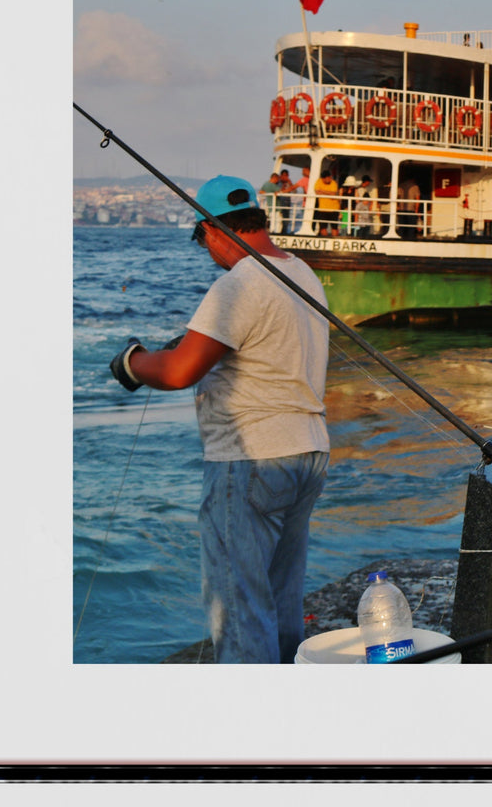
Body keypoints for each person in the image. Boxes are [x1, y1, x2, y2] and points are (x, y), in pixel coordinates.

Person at [108, 176, 330, 663]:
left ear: (211, 230)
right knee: (280, 598)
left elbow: (181, 370)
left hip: (251, 458)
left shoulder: (241, 283)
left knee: (239, 610)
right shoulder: (303, 273)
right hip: (308, 452)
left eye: (200, 238)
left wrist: (133, 361)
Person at [313, 169, 340, 237]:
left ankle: (334, 240)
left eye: (330, 177)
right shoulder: (318, 182)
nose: (329, 179)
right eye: (328, 178)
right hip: (323, 209)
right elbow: (317, 192)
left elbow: (333, 194)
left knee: (334, 227)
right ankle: (326, 240)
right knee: (322, 227)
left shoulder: (333, 183)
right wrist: (328, 193)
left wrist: (323, 191)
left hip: (334, 209)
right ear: (323, 178)